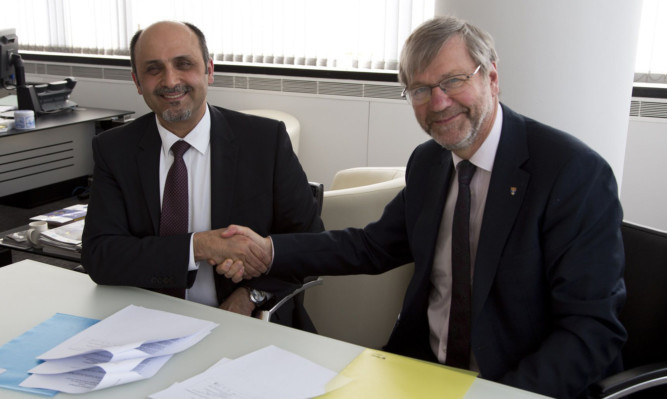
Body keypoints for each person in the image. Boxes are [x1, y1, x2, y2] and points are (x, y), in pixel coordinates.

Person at [222, 15, 627, 398]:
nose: (438, 102)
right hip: (421, 371)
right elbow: (371, 246)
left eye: (453, 81)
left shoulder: (572, 173)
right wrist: (269, 250)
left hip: (514, 383)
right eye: (420, 90)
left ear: (492, 77)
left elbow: (591, 331)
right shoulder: (429, 161)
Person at [81, 21, 323, 331]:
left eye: (184, 64)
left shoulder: (265, 142)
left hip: (248, 324)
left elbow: (310, 245)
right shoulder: (114, 149)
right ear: (137, 81)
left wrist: (251, 294)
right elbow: (101, 256)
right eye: (154, 69)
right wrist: (199, 246)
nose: (171, 81)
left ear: (209, 69)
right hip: (146, 321)